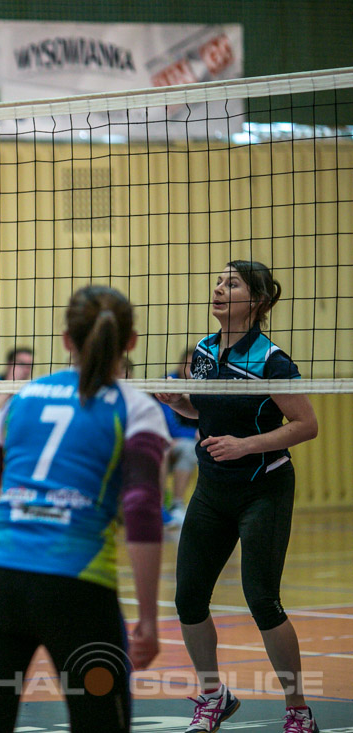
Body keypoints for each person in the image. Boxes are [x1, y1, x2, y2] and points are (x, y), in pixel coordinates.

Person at [0, 285, 167, 733]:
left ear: (66, 339)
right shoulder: (137, 409)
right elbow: (142, 509)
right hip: (79, 591)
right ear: (131, 342)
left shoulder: (23, 399)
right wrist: (148, 618)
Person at [156, 261, 321, 733]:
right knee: (189, 599)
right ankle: (214, 697)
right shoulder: (204, 351)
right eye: (218, 281)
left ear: (258, 301)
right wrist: (181, 404)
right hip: (212, 489)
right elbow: (206, 410)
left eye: (232, 283)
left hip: (262, 489)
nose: (219, 288)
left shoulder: (272, 361)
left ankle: (298, 709)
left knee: (262, 601)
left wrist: (245, 446)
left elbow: (306, 426)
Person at [159, 348, 199, 528]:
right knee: (166, 448)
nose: (191, 370)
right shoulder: (168, 385)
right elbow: (169, 426)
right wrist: (196, 433)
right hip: (162, 440)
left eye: (195, 366)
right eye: (188, 365)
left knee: (192, 448)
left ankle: (177, 506)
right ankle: (160, 507)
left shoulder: (204, 385)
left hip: (182, 443)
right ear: (180, 365)